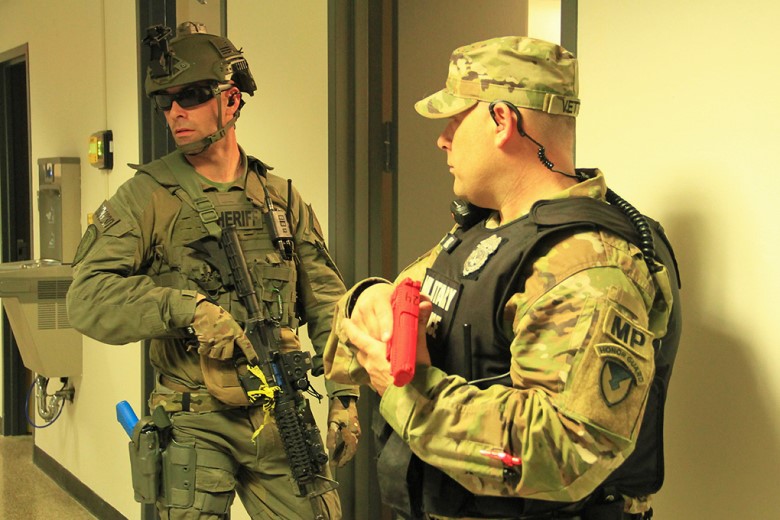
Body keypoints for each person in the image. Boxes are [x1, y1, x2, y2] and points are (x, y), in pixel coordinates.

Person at [323, 36, 681, 520]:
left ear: (501, 121)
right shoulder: (487, 230)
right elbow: (356, 338)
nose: (442, 139)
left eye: (454, 120)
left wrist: (406, 392)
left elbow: (563, 453)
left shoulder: (589, 264)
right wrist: (369, 298)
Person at [66, 22, 360, 520]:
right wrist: (185, 308)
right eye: (165, 102)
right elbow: (86, 298)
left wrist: (344, 395)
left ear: (231, 99)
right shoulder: (146, 197)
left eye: (191, 96)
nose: (175, 112)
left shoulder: (280, 198)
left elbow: (328, 303)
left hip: (280, 408)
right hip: (194, 417)